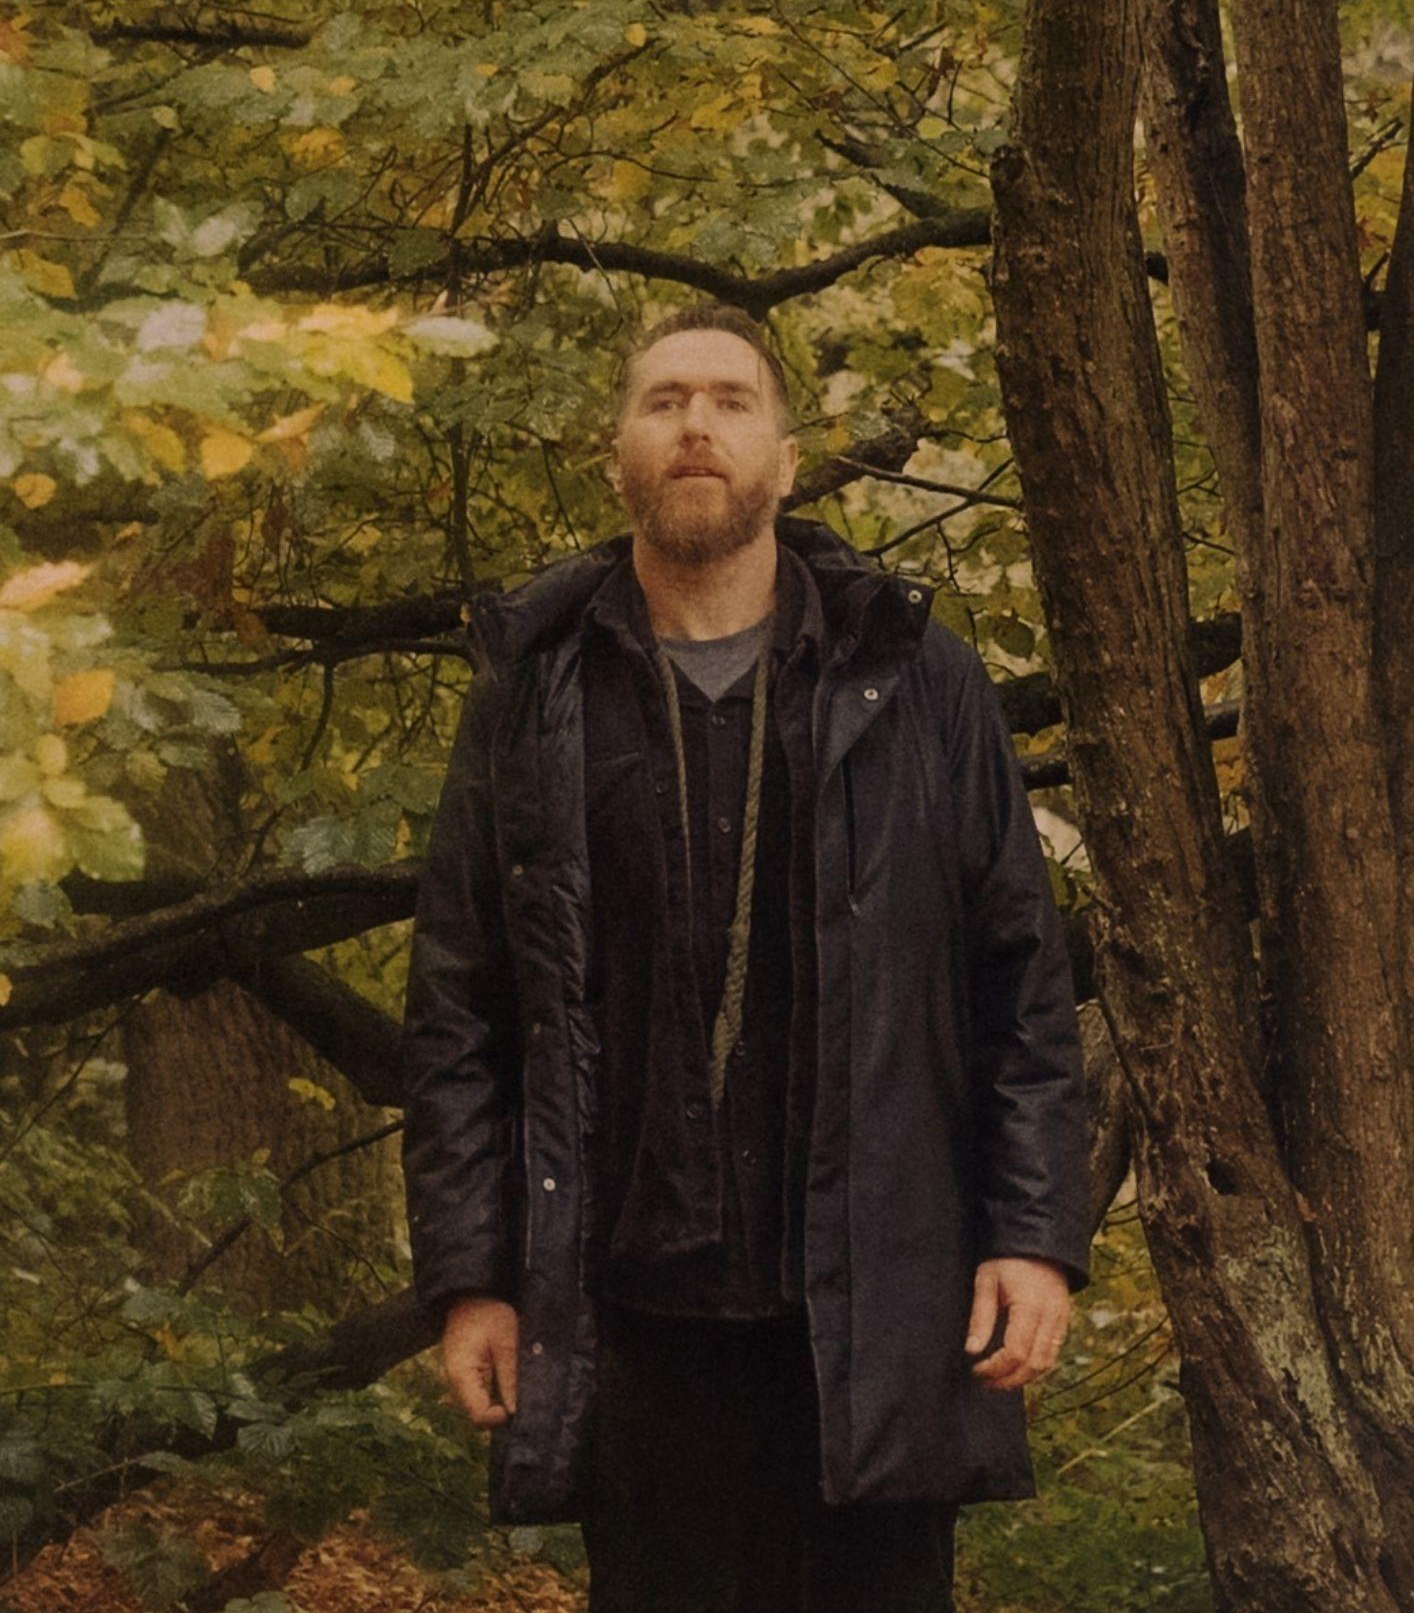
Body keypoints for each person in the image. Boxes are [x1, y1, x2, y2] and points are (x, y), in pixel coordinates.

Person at [400, 305, 1092, 1612]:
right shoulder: (536, 694)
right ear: (616, 450)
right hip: (635, 1326)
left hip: (874, 1307)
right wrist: (473, 1277)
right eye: (663, 401)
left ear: (784, 455)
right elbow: (461, 1012)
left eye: (729, 400)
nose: (695, 426)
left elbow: (1018, 985)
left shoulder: (918, 682)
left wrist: (1033, 1236)